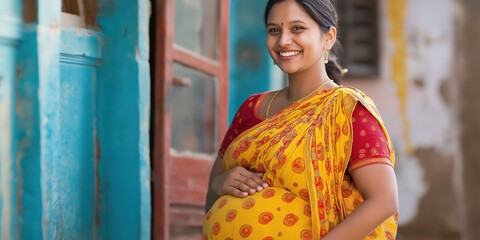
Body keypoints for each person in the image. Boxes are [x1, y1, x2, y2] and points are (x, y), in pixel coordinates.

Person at [203, 0, 399, 239]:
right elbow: (213, 198)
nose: (283, 40)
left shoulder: (347, 109)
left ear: (328, 37)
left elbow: (384, 200)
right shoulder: (251, 108)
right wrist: (221, 183)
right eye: (274, 30)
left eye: (297, 28)